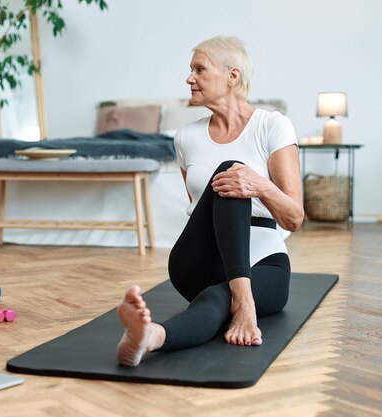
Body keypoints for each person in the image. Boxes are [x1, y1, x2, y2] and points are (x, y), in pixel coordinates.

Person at [116, 36, 304, 367]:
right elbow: (197, 208)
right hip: (198, 260)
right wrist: (238, 177)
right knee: (229, 174)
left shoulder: (272, 126)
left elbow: (294, 219)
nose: (190, 78)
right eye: (190, 71)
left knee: (219, 298)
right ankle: (244, 302)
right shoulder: (185, 137)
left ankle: (150, 337)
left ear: (233, 75)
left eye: (199, 69)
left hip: (264, 259)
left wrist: (259, 185)